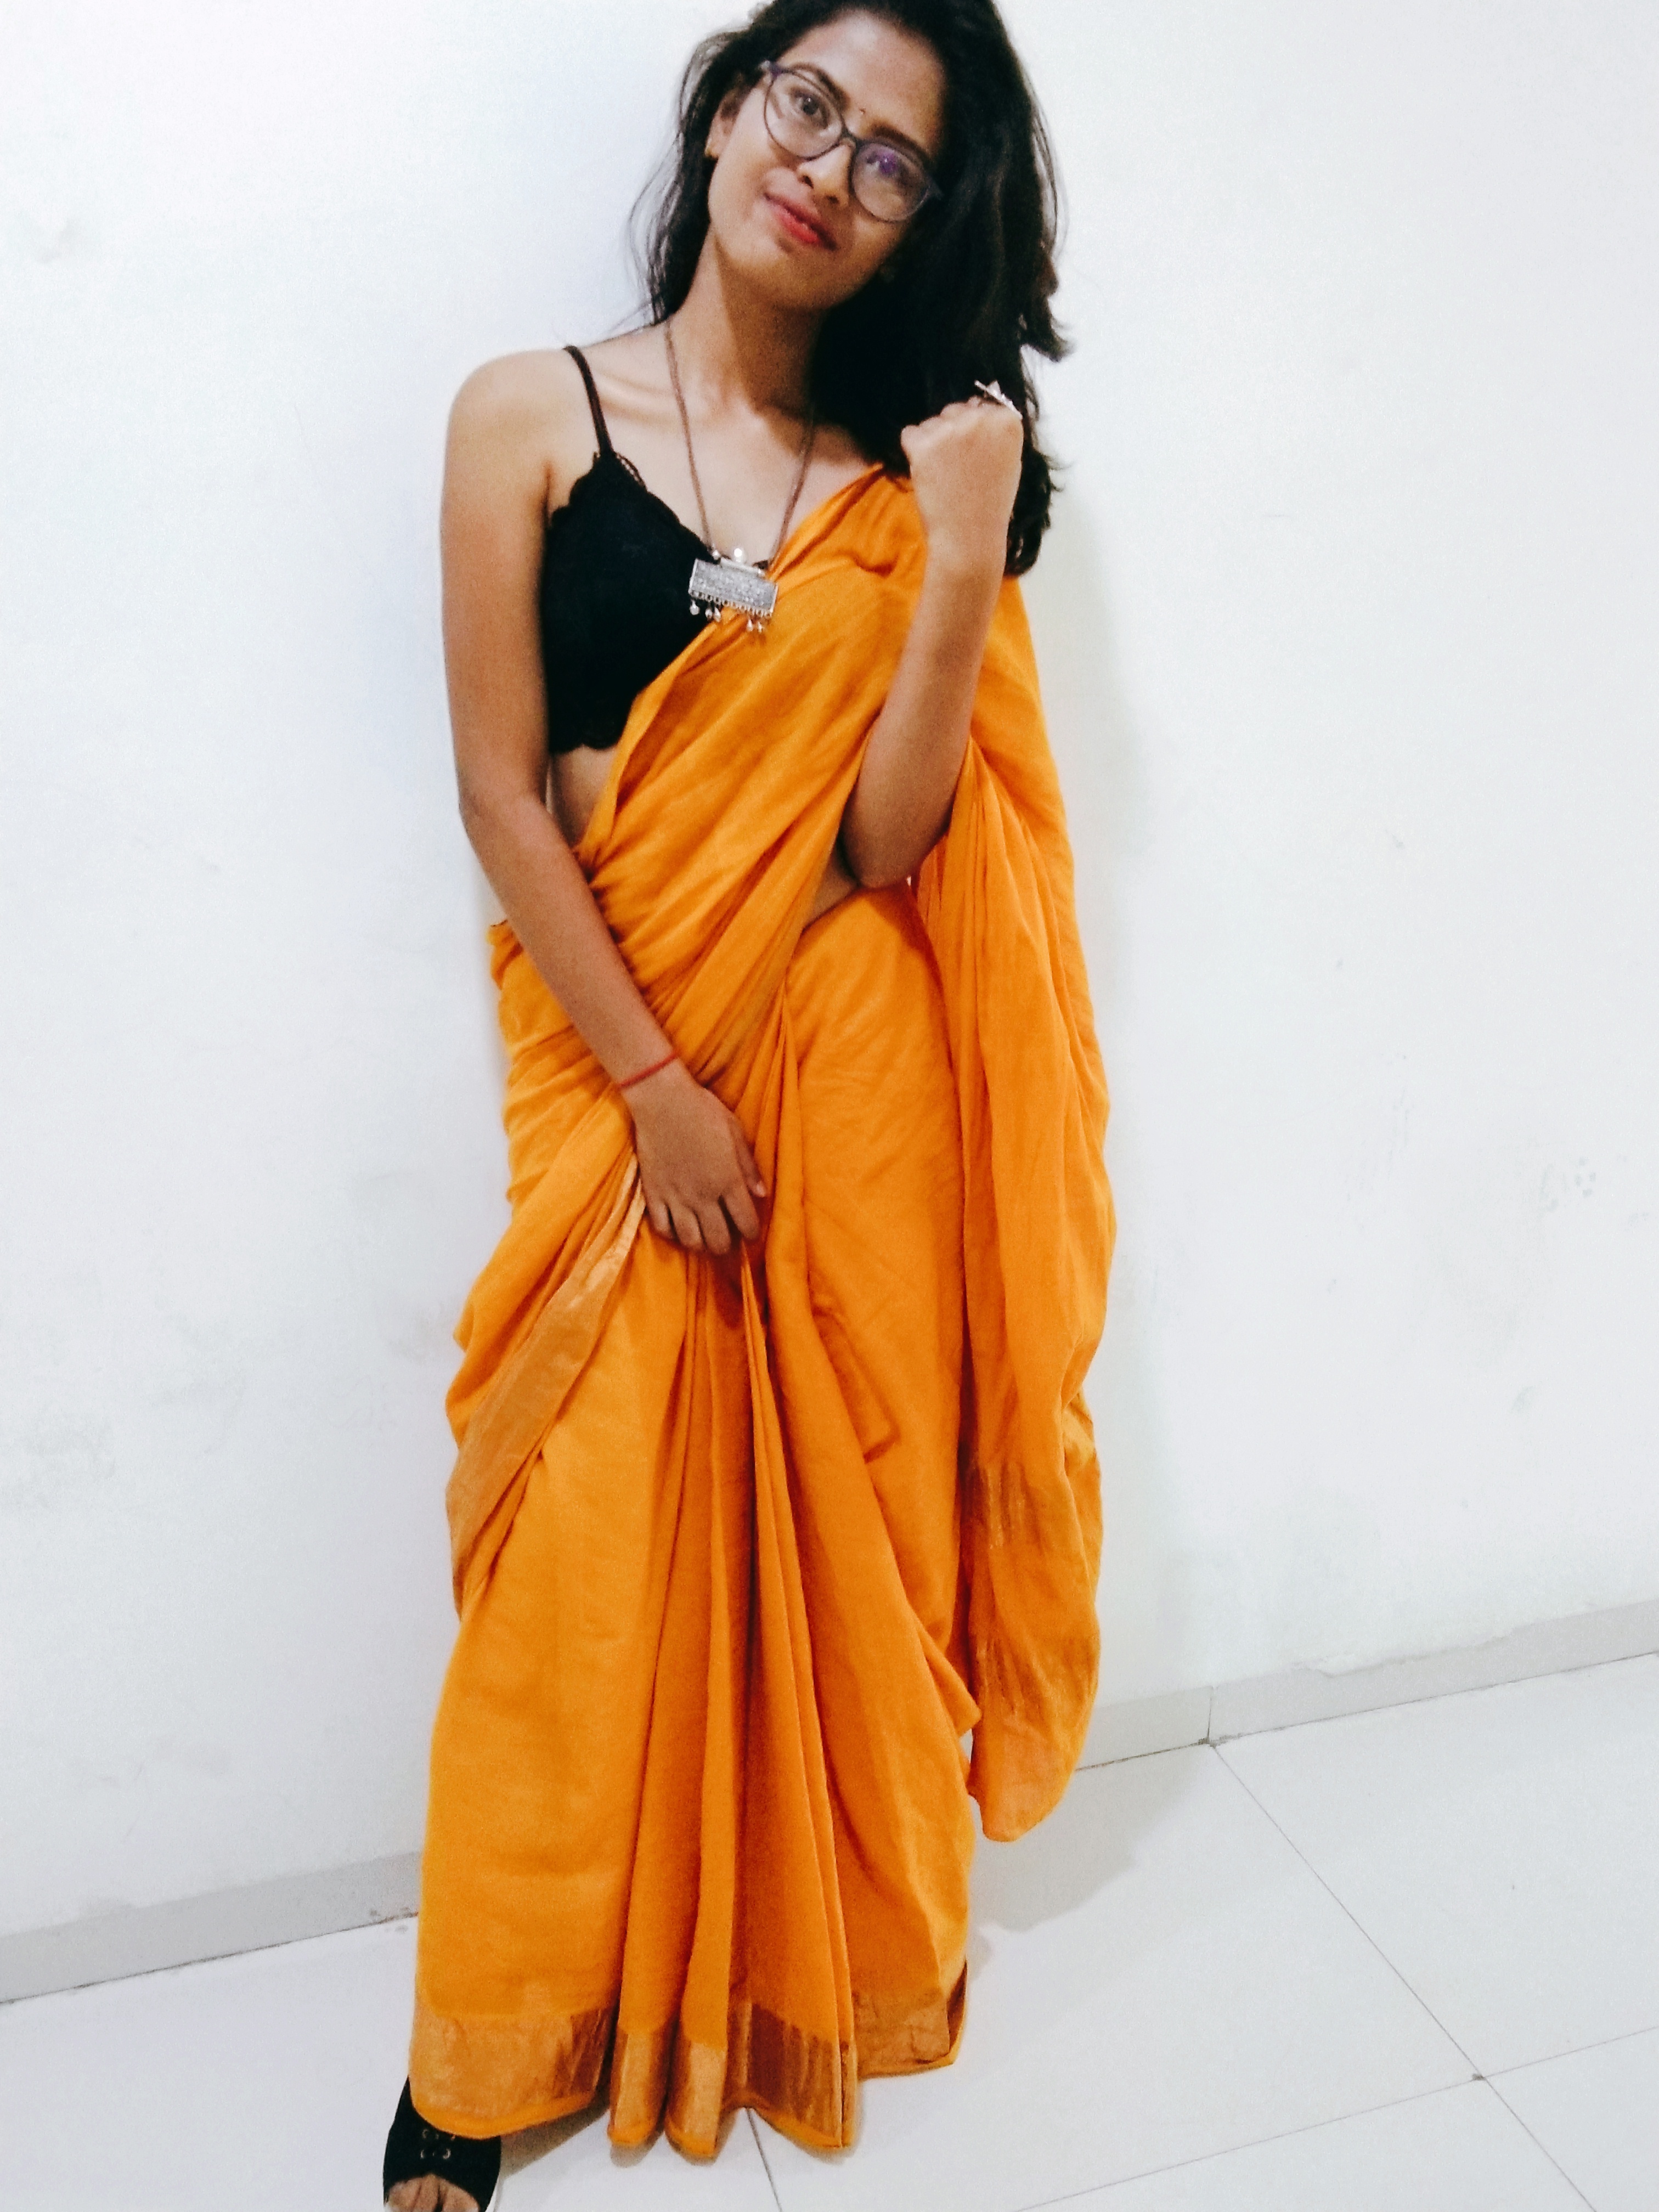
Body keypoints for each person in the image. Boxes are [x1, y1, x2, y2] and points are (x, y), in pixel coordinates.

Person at [383, 2, 1113, 2203]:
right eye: (810, 105)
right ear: (724, 110)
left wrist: (967, 548)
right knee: (575, 1564)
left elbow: (890, 842)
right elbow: (502, 795)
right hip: (624, 1079)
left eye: (893, 160)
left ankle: (792, 1962)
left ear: (916, 224)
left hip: (843, 1085)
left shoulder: (898, 498)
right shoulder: (526, 413)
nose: (830, 168)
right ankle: (482, 2047)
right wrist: (653, 1090)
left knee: (841, 1526)